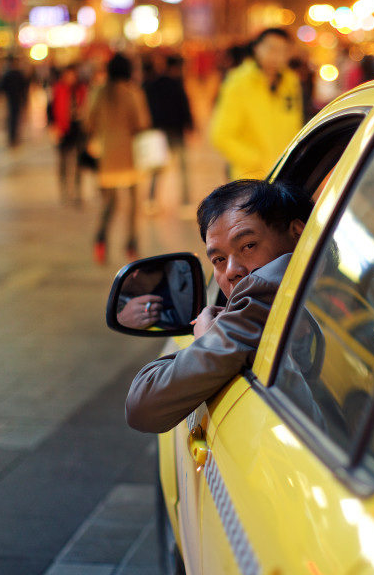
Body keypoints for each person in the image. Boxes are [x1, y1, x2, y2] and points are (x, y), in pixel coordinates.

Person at [125, 179, 313, 433]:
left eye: (248, 246)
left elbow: (142, 407)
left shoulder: (264, 294)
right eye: (219, 259)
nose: (232, 270)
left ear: (298, 234)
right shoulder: (324, 284)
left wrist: (207, 338)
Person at [209, 28, 303, 181]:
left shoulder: (291, 82)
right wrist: (255, 160)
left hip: (285, 175)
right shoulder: (238, 82)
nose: (277, 56)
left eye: (283, 51)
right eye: (271, 49)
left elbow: (295, 126)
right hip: (250, 178)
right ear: (256, 48)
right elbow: (221, 135)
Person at [87, 53, 151, 264]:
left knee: (110, 203)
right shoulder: (132, 93)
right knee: (133, 205)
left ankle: (100, 239)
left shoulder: (98, 92)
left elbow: (87, 121)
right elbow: (142, 123)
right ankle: (131, 245)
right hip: (130, 158)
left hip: (106, 158)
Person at [143, 54, 194, 210]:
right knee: (183, 168)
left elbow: (149, 106)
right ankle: (185, 201)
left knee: (157, 167)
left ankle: (151, 200)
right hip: (176, 130)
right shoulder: (177, 83)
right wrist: (190, 124)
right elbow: (184, 105)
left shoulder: (155, 83)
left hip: (159, 131)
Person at [52, 64, 88, 206]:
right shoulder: (58, 89)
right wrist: (54, 126)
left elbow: (88, 106)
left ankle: (78, 191)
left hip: (78, 128)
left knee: (79, 161)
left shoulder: (81, 89)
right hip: (63, 128)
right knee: (63, 161)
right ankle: (65, 191)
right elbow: (51, 108)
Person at [0, 55, 28, 147]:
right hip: (13, 98)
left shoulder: (10, 74)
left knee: (13, 116)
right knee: (14, 116)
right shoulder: (15, 74)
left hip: (13, 98)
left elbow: (1, 87)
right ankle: (13, 135)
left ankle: (13, 135)